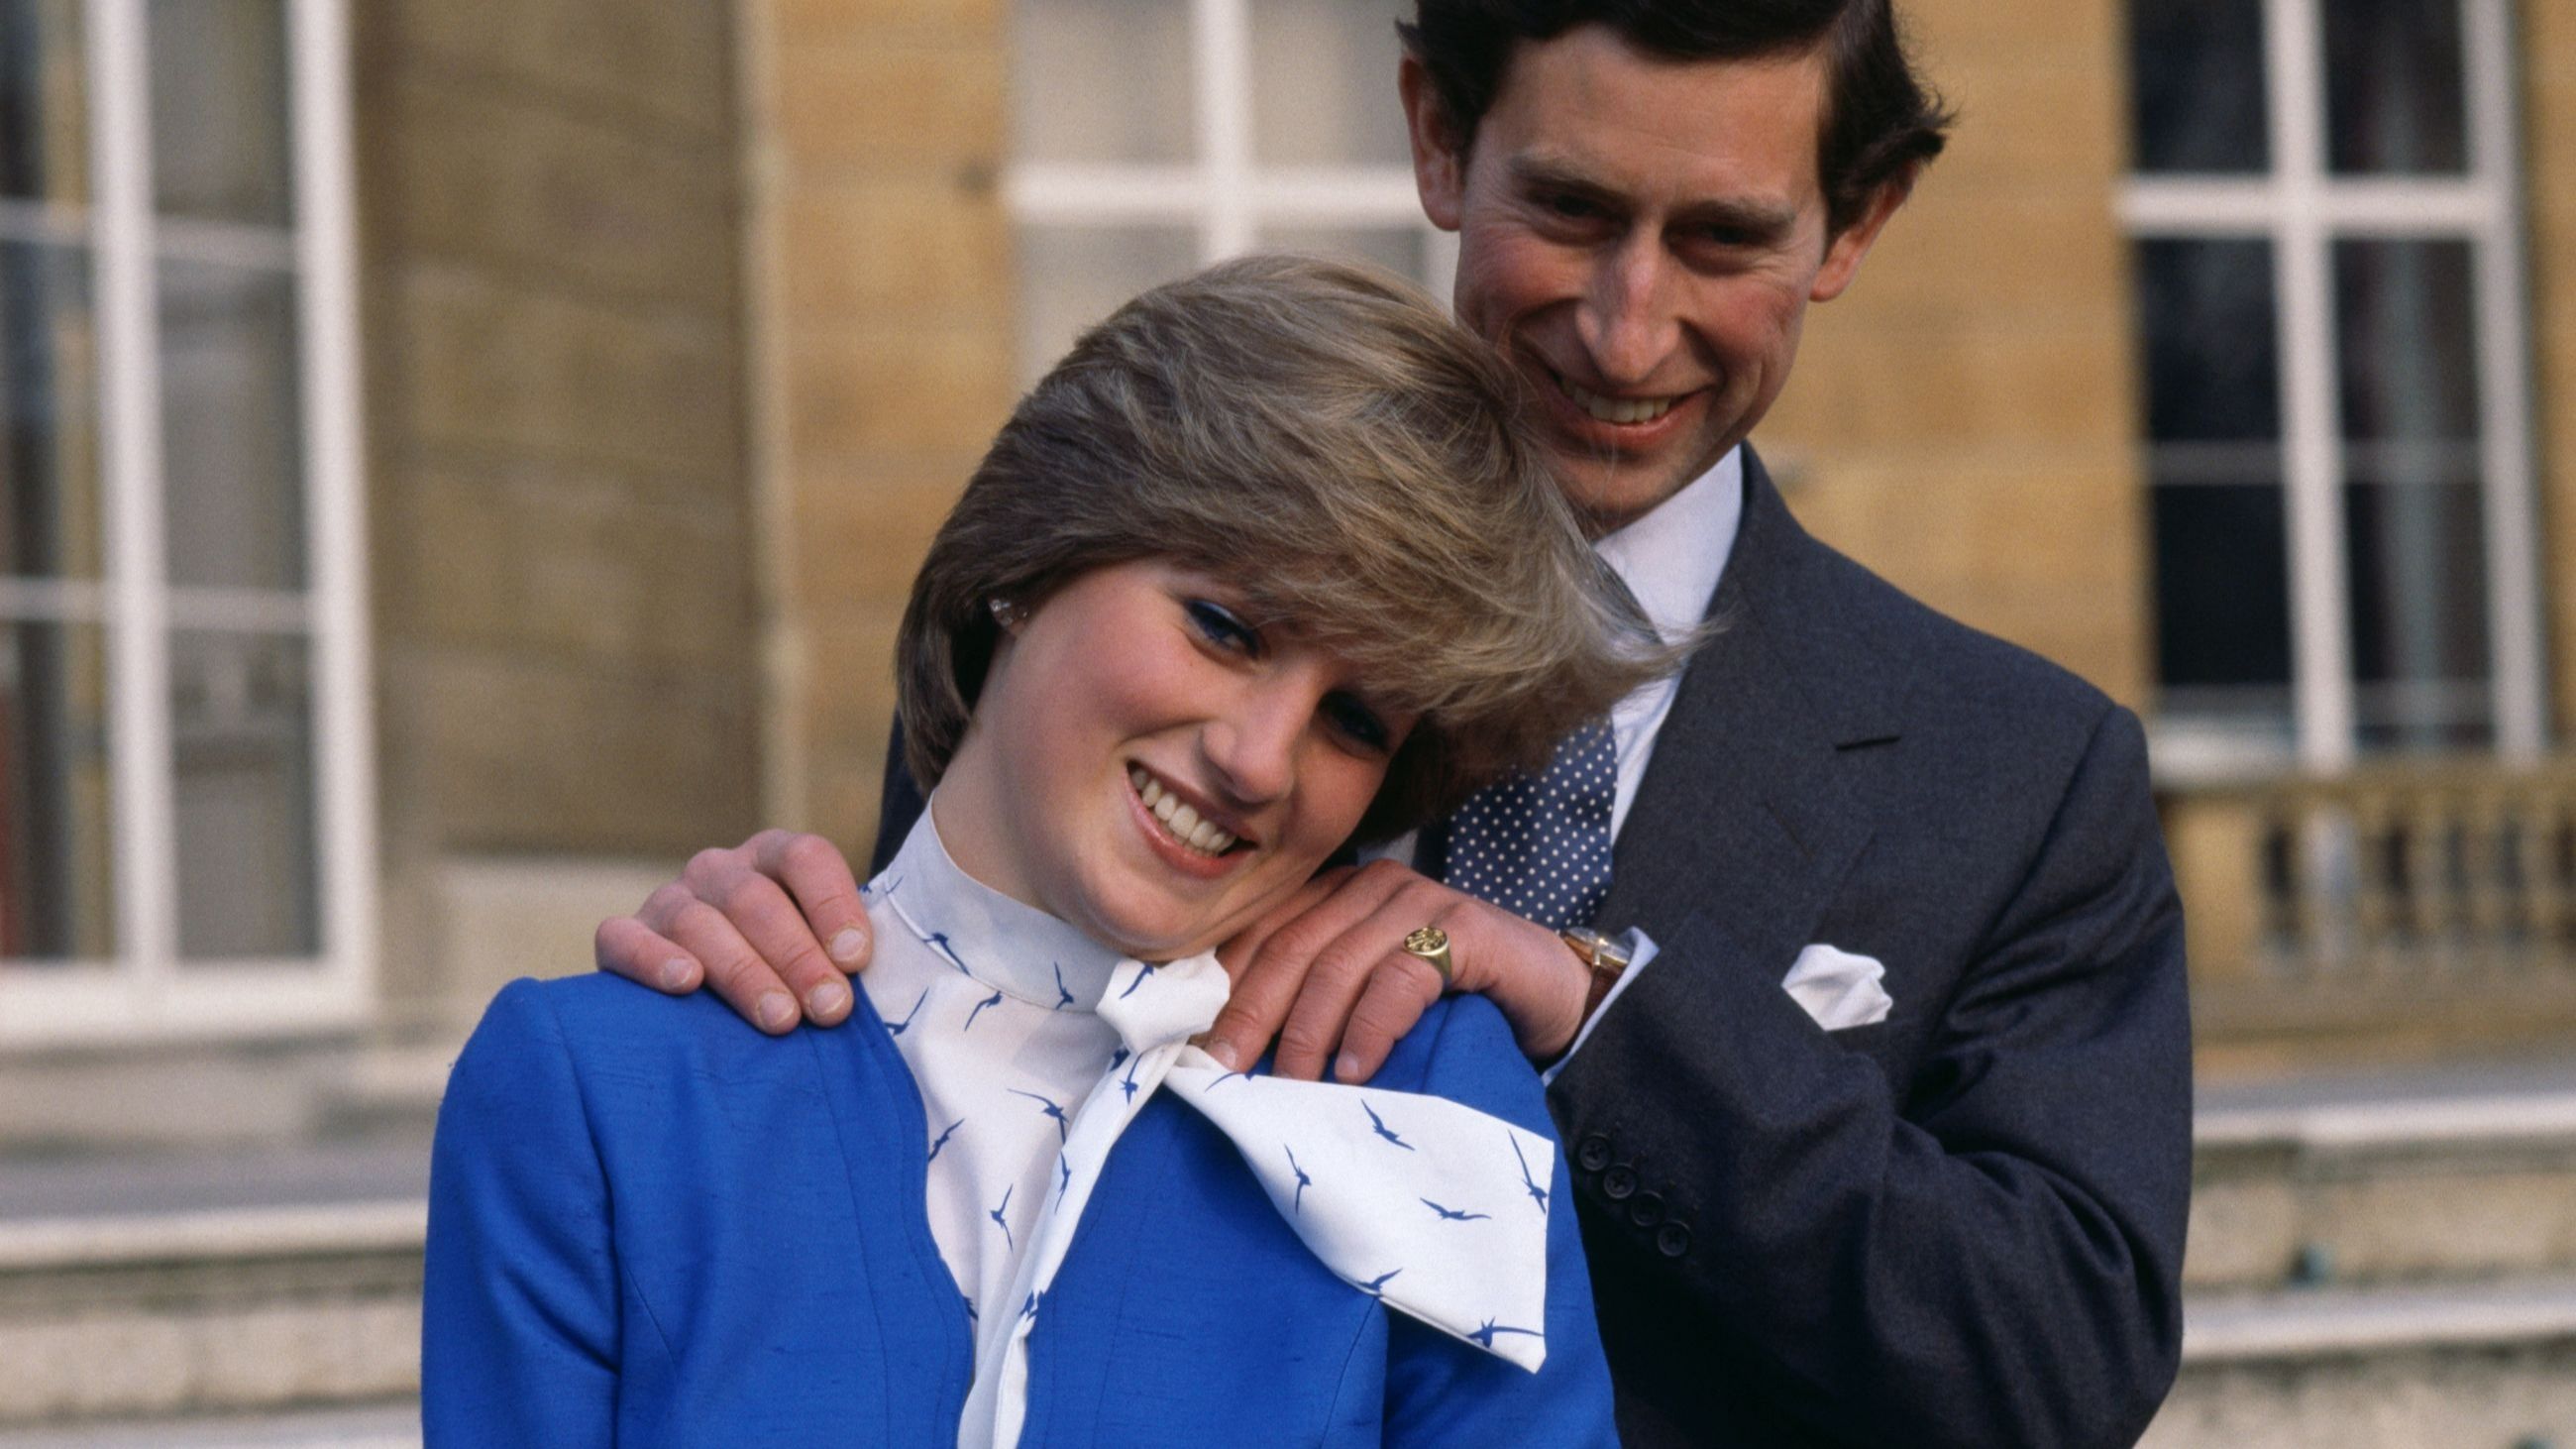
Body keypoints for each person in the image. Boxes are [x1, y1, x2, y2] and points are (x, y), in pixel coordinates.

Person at [593, 3, 2196, 1445]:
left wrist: (1604, 1010)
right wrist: (777, 972)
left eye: (1722, 240)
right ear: (1438, 134)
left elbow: (2056, 1368)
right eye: (1570, 212)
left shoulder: (2023, 773)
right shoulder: (1102, 643)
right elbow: (938, 1152)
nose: (1628, 328)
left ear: (1858, 220)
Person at [426, 257, 1664, 1446]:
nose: (1259, 761)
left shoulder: (1424, 1094)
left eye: (1353, 720)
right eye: (1225, 626)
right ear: (1030, 559)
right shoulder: (599, 1092)